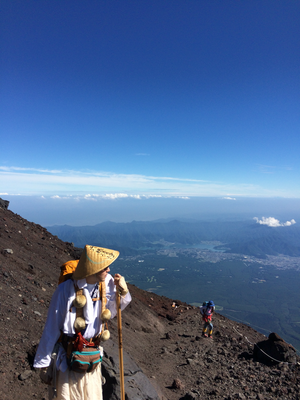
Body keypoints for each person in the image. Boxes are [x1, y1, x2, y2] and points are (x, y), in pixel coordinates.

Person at [34, 245, 132, 400]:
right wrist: (43, 362)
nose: (108, 270)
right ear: (94, 268)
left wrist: (123, 292)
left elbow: (114, 311)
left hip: (92, 357)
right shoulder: (65, 290)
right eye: (104, 267)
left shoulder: (105, 284)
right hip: (69, 358)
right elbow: (52, 326)